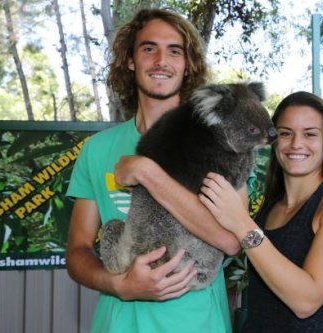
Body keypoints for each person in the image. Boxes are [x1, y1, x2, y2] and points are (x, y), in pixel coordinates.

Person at [65, 8, 244, 333]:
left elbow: (232, 241)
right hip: (118, 323)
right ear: (130, 60)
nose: (162, 60)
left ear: (187, 65)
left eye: (174, 51)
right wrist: (117, 284)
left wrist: (148, 173)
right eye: (149, 48)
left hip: (199, 324)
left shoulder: (220, 144)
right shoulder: (97, 150)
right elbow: (77, 249)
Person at [198, 91, 323, 332]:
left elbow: (306, 301)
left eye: (310, 134)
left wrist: (241, 222)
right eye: (285, 133)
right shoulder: (271, 206)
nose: (296, 144)